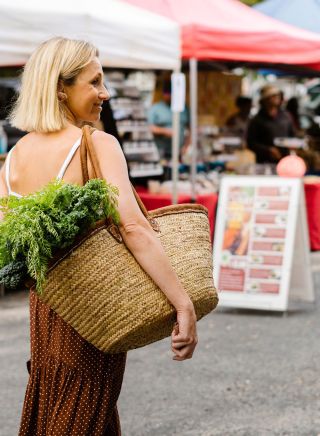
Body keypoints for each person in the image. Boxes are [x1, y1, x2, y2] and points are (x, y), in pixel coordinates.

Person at [0, 38, 197, 435]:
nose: (104, 93)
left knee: (68, 408)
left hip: (47, 313)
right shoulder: (97, 144)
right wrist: (183, 303)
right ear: (61, 88)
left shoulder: (15, 156)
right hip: (96, 310)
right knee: (81, 414)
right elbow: (135, 228)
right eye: (95, 82)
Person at [246, 85, 295, 163]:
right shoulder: (257, 119)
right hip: (264, 161)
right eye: (273, 96)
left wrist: (293, 145)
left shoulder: (286, 116)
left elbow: (292, 135)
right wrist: (268, 150)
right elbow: (251, 142)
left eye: (278, 95)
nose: (276, 97)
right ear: (265, 100)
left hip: (285, 159)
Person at [147, 80, 189, 160]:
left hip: (179, 152)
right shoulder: (156, 108)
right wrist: (164, 131)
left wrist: (186, 146)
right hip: (161, 152)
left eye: (171, 94)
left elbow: (190, 128)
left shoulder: (183, 108)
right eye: (167, 93)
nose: (169, 96)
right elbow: (148, 127)